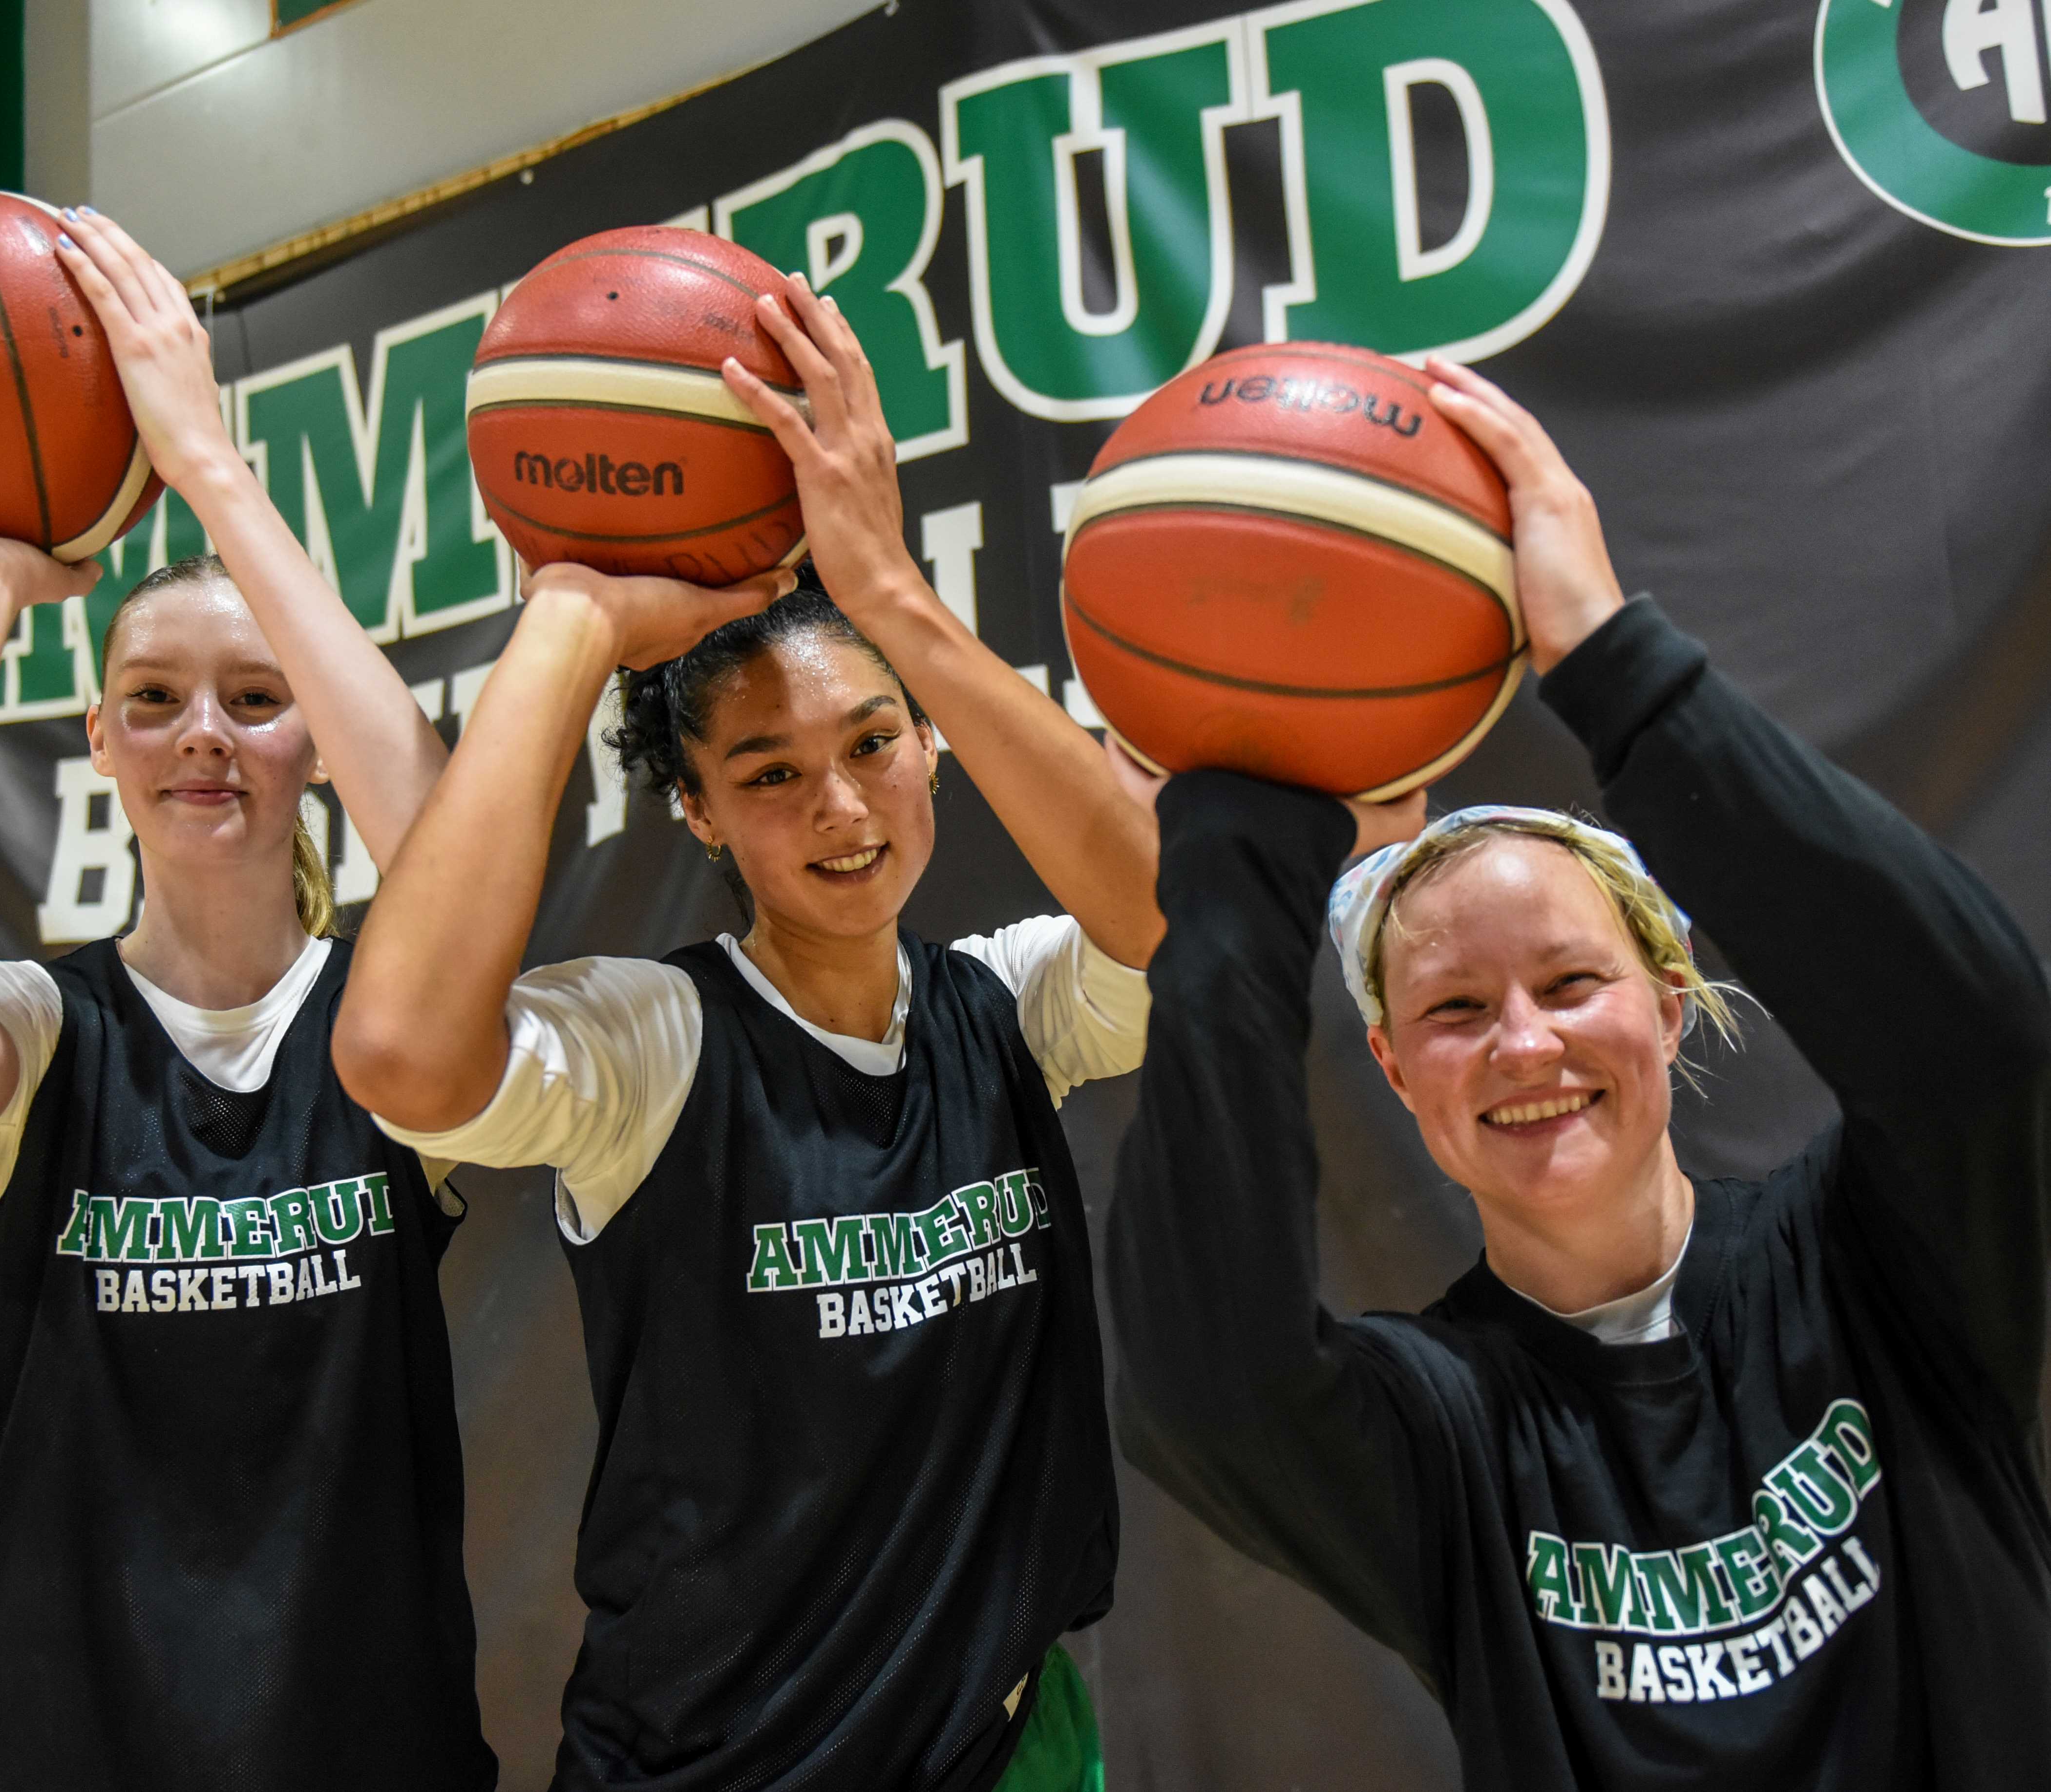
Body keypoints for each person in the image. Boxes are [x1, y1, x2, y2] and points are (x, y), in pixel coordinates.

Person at [1103, 355, 2051, 1789]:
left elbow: (1977, 1040)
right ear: (1398, 1073)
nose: (1527, 1043)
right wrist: (1242, 847)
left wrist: (1618, 666)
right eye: (1458, 1009)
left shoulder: (1870, 1263)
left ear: (1669, 1005)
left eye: (1571, 982)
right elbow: (1206, 1382)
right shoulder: (1448, 1424)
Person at [335, 274, 1161, 1792]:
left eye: (870, 742)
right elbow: (400, 1058)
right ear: (698, 809)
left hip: (1004, 1746)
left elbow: (1172, 915)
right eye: (771, 775)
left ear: (932, 745)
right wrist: (573, 613)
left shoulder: (1010, 1005)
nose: (842, 808)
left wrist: (891, 588)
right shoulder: (657, 1050)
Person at [0, 209, 498, 1792]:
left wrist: (212, 473)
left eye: (258, 702)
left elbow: (464, 864)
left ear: (313, 738)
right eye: (153, 701)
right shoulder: (40, 1037)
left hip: (356, 1749)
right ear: (97, 746)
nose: (205, 737)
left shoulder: (392, 1029)